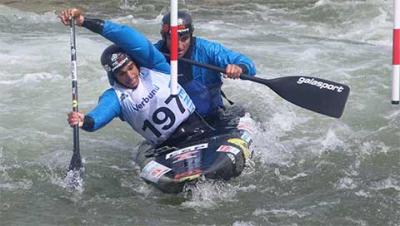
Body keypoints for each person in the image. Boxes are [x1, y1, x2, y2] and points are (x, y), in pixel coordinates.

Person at [59, 8, 207, 147]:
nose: (130, 76)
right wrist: (85, 121)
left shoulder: (156, 67)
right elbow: (101, 114)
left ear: (137, 64)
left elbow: (126, 36)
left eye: (131, 68)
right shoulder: (116, 97)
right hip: (168, 148)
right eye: (121, 73)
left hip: (199, 129)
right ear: (114, 77)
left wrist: (84, 21)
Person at [154, 11, 257, 121]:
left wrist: (239, 67)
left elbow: (247, 63)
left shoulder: (207, 50)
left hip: (214, 118)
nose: (179, 46)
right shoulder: (152, 54)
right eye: (173, 39)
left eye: (184, 39)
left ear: (191, 36)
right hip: (177, 125)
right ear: (164, 37)